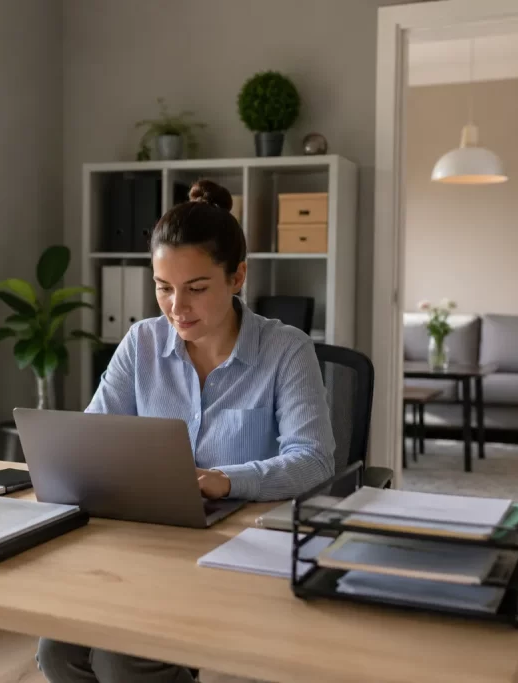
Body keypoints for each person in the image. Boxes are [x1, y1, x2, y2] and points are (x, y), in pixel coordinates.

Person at [36, 179, 337, 683]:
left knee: (121, 659)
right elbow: (92, 436)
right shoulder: (141, 343)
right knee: (57, 651)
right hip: (146, 546)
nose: (177, 307)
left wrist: (227, 478)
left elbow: (314, 460)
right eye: (163, 287)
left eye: (196, 288)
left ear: (237, 276)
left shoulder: (287, 349)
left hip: (238, 551)